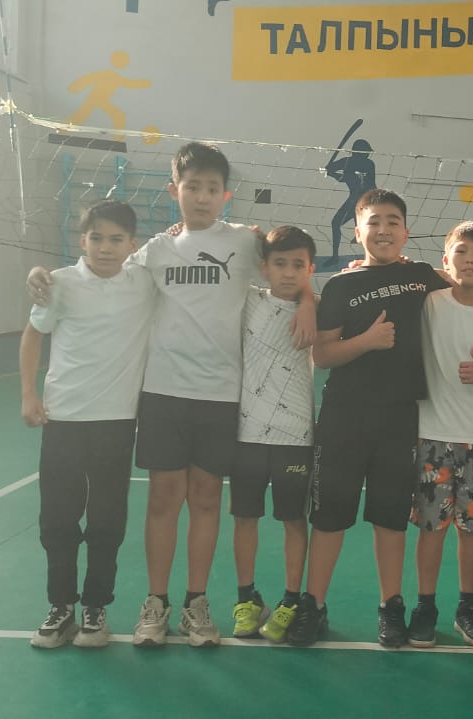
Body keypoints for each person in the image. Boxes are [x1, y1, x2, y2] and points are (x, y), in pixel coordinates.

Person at [25, 142, 315, 648]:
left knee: (205, 500)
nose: (201, 197)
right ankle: (155, 603)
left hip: (220, 395)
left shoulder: (244, 243)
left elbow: (286, 272)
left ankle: (195, 603)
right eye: (192, 186)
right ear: (173, 190)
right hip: (162, 393)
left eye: (211, 188)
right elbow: (103, 266)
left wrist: (309, 299)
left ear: (225, 195)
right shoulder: (156, 250)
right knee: (162, 500)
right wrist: (42, 276)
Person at [287, 189, 450, 648]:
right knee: (329, 517)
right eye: (373, 222)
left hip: (400, 418)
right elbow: (322, 354)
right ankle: (314, 605)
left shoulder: (422, 277)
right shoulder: (342, 285)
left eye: (392, 221)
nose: (383, 230)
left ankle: (390, 606)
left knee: (390, 518)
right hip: (344, 417)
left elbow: (466, 280)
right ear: (357, 231)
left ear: (406, 232)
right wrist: (367, 341)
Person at [20, 200, 155, 649]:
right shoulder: (59, 283)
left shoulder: (144, 282)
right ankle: (61, 607)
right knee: (58, 518)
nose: (105, 248)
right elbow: (33, 334)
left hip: (117, 422)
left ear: (132, 245)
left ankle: (96, 609)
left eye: (116, 239)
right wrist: (28, 394)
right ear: (83, 241)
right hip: (63, 420)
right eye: (96, 238)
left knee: (107, 521)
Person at [408, 221, 473, 648]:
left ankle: (467, 607)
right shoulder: (429, 304)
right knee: (431, 527)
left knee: (471, 529)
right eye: (461, 252)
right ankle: (425, 606)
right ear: (446, 260)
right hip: (431, 435)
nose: (470, 260)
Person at [230, 226, 317, 642]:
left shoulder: (317, 306)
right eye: (279, 263)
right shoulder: (247, 299)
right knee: (244, 517)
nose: (288, 272)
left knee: (293, 519)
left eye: (298, 265)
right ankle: (246, 598)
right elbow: (243, 239)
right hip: (247, 433)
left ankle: (290, 600)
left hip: (295, 435)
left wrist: (309, 300)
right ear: (263, 266)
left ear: (310, 269)